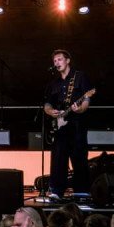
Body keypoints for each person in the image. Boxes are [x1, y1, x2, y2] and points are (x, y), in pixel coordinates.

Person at [44, 49, 94, 200]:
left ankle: (82, 191)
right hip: (60, 125)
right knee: (58, 158)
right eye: (54, 61)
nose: (56, 63)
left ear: (67, 61)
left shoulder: (80, 77)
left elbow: (86, 98)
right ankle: (56, 191)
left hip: (77, 124)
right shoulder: (54, 83)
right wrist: (50, 112)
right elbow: (47, 104)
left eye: (59, 59)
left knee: (79, 156)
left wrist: (80, 109)